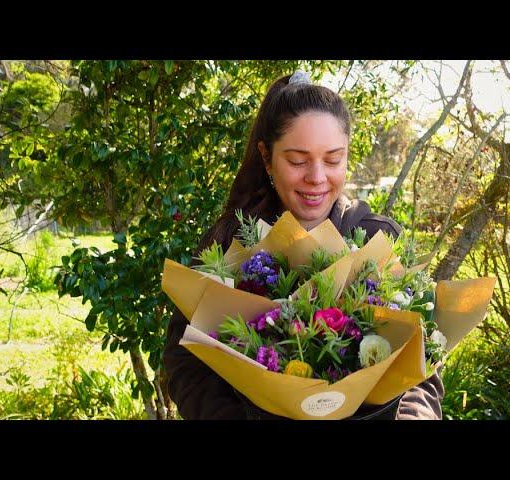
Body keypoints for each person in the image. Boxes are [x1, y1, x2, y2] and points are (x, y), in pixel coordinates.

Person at [163, 70, 444, 420]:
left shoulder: (378, 240)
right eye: (297, 160)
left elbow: (423, 368)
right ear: (266, 157)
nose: (317, 177)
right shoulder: (227, 247)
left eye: (332, 159)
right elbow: (184, 364)